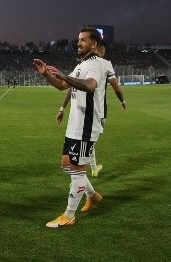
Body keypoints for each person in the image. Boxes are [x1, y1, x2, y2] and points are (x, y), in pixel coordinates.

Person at [33, 26, 107, 228]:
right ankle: (92, 195)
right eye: (78, 39)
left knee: (77, 169)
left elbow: (89, 86)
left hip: (86, 126)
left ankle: (69, 216)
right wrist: (45, 74)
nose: (78, 43)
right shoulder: (82, 64)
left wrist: (64, 76)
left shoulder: (95, 64)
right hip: (75, 124)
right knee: (67, 165)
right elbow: (61, 86)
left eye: (83, 40)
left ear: (93, 44)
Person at [56, 40, 125, 177]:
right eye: (104, 50)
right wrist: (122, 100)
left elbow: (71, 86)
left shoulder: (88, 64)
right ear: (98, 48)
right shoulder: (104, 64)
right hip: (95, 113)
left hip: (87, 114)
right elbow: (116, 87)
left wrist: (62, 108)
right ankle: (88, 172)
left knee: (86, 143)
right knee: (88, 142)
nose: (104, 53)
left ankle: (87, 174)